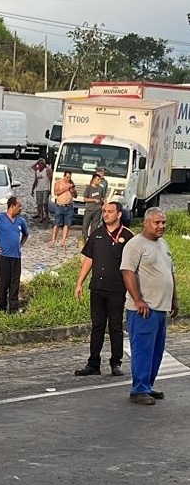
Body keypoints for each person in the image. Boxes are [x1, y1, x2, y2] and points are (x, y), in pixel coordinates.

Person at [120, 208, 178, 405]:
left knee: (156, 350)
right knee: (143, 349)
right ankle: (139, 389)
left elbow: (170, 273)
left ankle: (147, 385)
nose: (161, 226)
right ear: (146, 223)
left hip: (161, 307)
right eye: (157, 223)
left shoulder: (163, 244)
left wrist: (174, 298)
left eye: (163, 222)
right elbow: (128, 272)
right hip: (144, 309)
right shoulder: (135, 245)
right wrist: (138, 300)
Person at [74, 201, 134, 377]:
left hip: (117, 289)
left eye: (110, 211)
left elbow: (133, 266)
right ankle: (93, 363)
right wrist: (79, 283)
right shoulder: (97, 234)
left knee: (115, 326)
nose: (106, 214)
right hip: (98, 288)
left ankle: (116, 363)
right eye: (104, 211)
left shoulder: (128, 237)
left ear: (119, 214)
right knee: (97, 326)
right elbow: (89, 260)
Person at [50, 170, 76, 249]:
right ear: (64, 176)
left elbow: (75, 196)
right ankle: (53, 241)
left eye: (69, 178)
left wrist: (72, 191)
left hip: (69, 206)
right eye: (67, 177)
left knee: (67, 224)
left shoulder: (72, 183)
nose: (68, 179)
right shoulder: (58, 182)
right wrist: (66, 188)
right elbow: (56, 192)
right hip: (60, 206)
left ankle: (63, 241)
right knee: (57, 224)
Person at [81, 168, 108, 241]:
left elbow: (104, 198)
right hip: (89, 209)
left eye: (100, 180)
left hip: (98, 209)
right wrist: (93, 200)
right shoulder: (88, 188)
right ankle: (84, 239)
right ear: (94, 179)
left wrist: (104, 205)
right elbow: (85, 199)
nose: (99, 181)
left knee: (94, 226)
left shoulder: (100, 188)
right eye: (98, 180)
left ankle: (92, 240)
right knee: (85, 225)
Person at [30, 157, 52, 222]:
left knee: (45, 203)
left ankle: (47, 215)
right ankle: (41, 217)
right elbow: (35, 181)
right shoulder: (37, 171)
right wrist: (32, 189)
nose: (40, 165)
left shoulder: (47, 170)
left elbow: (50, 179)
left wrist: (50, 188)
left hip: (45, 189)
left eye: (41, 164)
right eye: (39, 164)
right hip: (38, 189)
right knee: (39, 204)